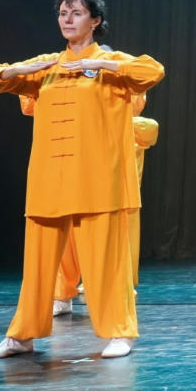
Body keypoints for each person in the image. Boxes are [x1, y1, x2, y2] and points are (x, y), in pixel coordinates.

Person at [0, 0, 163, 359]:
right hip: (49, 181)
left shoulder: (112, 65)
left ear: (95, 21)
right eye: (63, 13)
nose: (67, 19)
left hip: (98, 181)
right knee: (37, 266)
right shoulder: (47, 65)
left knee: (107, 265)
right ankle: (22, 336)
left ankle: (120, 332)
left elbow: (152, 70)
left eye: (76, 13)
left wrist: (104, 65)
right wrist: (20, 70)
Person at [39, 91, 159, 315]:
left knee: (112, 241)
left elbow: (139, 110)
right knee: (67, 239)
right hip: (76, 179)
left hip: (113, 191)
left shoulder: (133, 123)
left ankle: (114, 289)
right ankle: (63, 295)